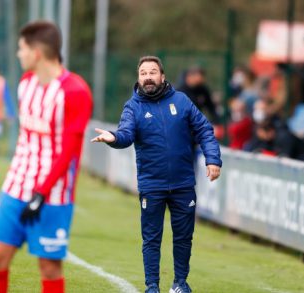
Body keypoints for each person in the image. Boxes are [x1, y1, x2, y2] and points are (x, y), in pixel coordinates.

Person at [91, 56, 222, 293]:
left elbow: (204, 129)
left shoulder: (181, 101)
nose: (148, 77)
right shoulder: (133, 106)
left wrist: (213, 158)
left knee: (184, 238)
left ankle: (180, 283)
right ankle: (152, 286)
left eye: (152, 72)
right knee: (152, 239)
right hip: (152, 185)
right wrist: (114, 138)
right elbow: (126, 134)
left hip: (183, 183)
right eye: (143, 73)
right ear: (138, 78)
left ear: (162, 76)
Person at [0, 21, 93, 293]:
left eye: (22, 49)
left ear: (37, 53)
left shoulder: (75, 92)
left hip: (53, 194)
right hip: (16, 186)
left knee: (49, 267)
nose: (18, 54)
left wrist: (41, 193)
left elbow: (69, 152)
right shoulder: (25, 83)